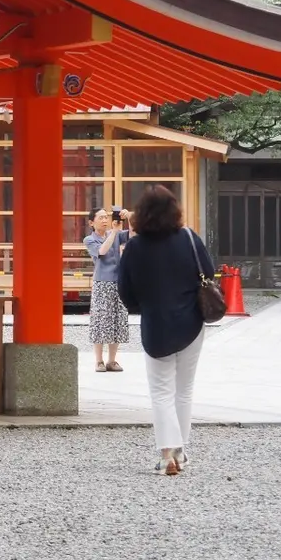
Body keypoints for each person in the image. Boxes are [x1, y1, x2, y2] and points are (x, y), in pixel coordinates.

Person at [117, 186, 213, 476]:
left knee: (160, 392)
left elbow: (126, 292)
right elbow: (207, 273)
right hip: (191, 323)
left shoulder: (135, 247)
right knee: (184, 391)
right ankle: (180, 453)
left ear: (141, 214)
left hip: (156, 324)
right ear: (175, 210)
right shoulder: (188, 237)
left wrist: (143, 305)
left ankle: (165, 455)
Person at [84, 206, 131, 373]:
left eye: (106, 217)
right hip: (102, 283)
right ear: (91, 222)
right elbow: (102, 252)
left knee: (117, 321)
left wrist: (129, 218)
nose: (105, 220)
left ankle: (112, 360)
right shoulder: (90, 239)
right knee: (100, 321)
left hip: (119, 281)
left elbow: (133, 236)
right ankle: (99, 361)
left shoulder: (116, 233)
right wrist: (113, 233)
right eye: (101, 217)